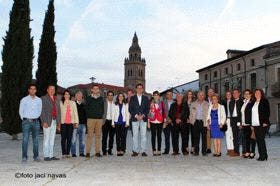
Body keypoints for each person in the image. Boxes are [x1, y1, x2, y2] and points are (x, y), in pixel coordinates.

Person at [19, 84, 42, 163]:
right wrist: (25, 119)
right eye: (31, 89)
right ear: (29, 90)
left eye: (34, 89)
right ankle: (24, 157)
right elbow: (20, 111)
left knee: (36, 140)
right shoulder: (24, 99)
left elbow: (39, 111)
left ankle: (36, 157)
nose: (32, 90)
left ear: (36, 90)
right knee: (25, 140)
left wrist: (35, 117)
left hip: (36, 122)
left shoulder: (39, 100)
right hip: (26, 122)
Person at [40, 84, 61, 161]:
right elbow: (41, 111)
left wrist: (59, 124)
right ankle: (46, 156)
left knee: (52, 139)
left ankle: (51, 155)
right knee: (46, 138)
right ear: (47, 90)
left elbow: (58, 112)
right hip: (47, 121)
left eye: (53, 89)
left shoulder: (57, 99)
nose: (52, 90)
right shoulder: (43, 98)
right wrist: (43, 122)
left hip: (55, 121)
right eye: (51, 89)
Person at [129, 83, 149, 157]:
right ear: (136, 89)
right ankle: (135, 151)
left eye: (141, 88)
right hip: (135, 119)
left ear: (143, 89)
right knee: (135, 136)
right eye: (138, 88)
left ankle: (143, 151)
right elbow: (130, 108)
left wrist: (143, 115)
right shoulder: (132, 98)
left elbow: (148, 109)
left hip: (143, 119)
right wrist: (136, 116)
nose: (140, 89)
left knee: (143, 135)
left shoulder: (146, 98)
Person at [85, 84, 104, 158]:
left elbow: (102, 108)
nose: (96, 90)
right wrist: (89, 115)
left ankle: (97, 152)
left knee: (98, 136)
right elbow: (86, 108)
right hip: (90, 119)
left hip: (99, 119)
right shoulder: (89, 98)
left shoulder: (101, 98)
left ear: (98, 90)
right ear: (92, 90)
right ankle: (88, 152)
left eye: (97, 89)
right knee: (90, 136)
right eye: (94, 89)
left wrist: (100, 115)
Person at [60, 89, 79, 158]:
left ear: (70, 95)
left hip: (71, 123)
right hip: (63, 123)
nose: (67, 95)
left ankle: (68, 153)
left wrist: (76, 122)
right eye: (65, 94)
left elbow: (75, 113)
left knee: (69, 139)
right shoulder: (61, 103)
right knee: (63, 139)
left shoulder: (73, 103)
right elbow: (59, 114)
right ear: (63, 95)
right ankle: (63, 153)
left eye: (68, 94)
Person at [252, 89, 270, 161]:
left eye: (258, 93)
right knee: (259, 140)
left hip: (262, 124)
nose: (257, 94)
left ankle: (263, 155)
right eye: (256, 93)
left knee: (261, 139)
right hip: (255, 123)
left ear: (261, 94)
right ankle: (263, 155)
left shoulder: (264, 101)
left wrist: (265, 121)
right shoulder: (254, 102)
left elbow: (267, 112)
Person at [189, 91, 209, 156]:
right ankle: (196, 151)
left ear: (204, 96)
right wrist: (192, 121)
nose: (201, 96)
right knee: (196, 138)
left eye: (202, 95)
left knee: (204, 138)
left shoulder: (207, 104)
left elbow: (209, 114)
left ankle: (204, 151)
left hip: (204, 122)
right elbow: (190, 114)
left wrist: (208, 123)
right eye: (199, 95)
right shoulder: (193, 104)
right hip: (196, 122)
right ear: (197, 96)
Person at [148, 91, 165, 156]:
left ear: (159, 96)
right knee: (153, 136)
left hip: (160, 121)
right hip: (152, 121)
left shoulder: (162, 103)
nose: (156, 96)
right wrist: (148, 122)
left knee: (159, 136)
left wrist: (164, 121)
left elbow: (164, 112)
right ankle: (154, 150)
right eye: (154, 95)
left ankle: (159, 149)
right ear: (153, 96)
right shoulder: (151, 103)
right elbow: (148, 113)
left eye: (157, 95)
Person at [241, 89, 256, 159]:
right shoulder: (244, 102)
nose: (246, 95)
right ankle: (247, 151)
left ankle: (252, 152)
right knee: (246, 138)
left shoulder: (252, 102)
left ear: (250, 94)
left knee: (252, 138)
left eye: (247, 94)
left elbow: (253, 114)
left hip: (250, 123)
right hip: (244, 123)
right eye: (245, 94)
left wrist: (252, 124)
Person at [71, 91, 87, 157]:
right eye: (77, 95)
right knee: (73, 139)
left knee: (82, 140)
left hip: (83, 125)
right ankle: (73, 153)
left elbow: (86, 115)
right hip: (75, 124)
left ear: (82, 97)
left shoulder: (84, 105)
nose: (79, 97)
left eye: (80, 96)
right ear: (75, 97)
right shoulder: (73, 105)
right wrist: (73, 123)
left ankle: (81, 153)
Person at [229, 89, 244, 156]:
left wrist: (240, 122)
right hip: (233, 121)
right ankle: (236, 151)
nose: (234, 94)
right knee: (235, 137)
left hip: (240, 120)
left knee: (242, 136)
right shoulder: (231, 102)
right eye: (233, 93)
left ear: (239, 93)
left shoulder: (242, 101)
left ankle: (244, 151)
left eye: (236, 93)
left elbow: (242, 113)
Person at [221, 90, 235, 156]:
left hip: (233, 120)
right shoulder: (223, 102)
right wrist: (223, 121)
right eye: (227, 94)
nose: (228, 95)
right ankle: (229, 149)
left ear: (231, 95)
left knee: (232, 135)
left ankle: (233, 149)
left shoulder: (234, 101)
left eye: (229, 94)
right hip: (226, 120)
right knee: (227, 135)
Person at [102, 91, 115, 156]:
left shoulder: (115, 104)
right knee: (104, 137)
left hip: (112, 122)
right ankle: (104, 150)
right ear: (107, 96)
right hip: (105, 121)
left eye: (111, 95)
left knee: (111, 137)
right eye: (109, 95)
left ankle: (110, 150)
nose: (110, 96)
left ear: (113, 96)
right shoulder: (104, 103)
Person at [163, 90, 174, 155]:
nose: (169, 96)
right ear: (166, 95)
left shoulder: (175, 102)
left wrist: (171, 119)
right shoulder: (163, 103)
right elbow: (162, 112)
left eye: (170, 94)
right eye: (168, 94)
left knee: (174, 137)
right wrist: (166, 120)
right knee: (166, 137)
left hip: (173, 122)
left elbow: (177, 113)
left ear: (172, 95)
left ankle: (175, 150)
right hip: (165, 122)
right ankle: (167, 150)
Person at [206, 88, 215, 153]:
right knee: (208, 134)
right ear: (207, 93)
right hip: (207, 119)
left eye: (211, 92)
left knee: (215, 134)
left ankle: (216, 148)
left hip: (215, 119)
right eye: (209, 92)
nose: (210, 93)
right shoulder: (205, 100)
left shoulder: (216, 100)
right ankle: (208, 148)